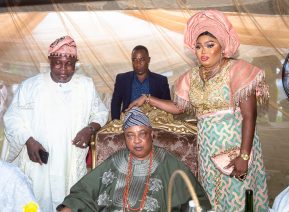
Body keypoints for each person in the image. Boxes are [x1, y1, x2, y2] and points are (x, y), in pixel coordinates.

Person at [127, 10, 269, 211]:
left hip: (235, 148)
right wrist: (147, 98)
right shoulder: (191, 77)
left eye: (210, 45)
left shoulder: (238, 70)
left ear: (223, 47)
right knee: (212, 199)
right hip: (207, 149)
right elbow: (178, 107)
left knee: (238, 199)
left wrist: (244, 156)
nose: (203, 51)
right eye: (199, 46)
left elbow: (249, 116)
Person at [1, 36, 109, 211]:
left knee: (69, 201)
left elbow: (100, 112)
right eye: (58, 63)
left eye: (69, 64)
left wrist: (90, 129)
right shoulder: (30, 86)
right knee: (37, 201)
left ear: (76, 63)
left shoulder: (85, 85)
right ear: (50, 60)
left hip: (70, 159)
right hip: (39, 162)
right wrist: (29, 141)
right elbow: (12, 119)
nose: (64, 70)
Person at [56, 107, 211, 211]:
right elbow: (85, 192)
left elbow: (196, 201)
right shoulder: (117, 160)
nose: (136, 140)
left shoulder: (167, 162)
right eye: (130, 135)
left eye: (142, 134)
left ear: (151, 135)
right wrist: (69, 207)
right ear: (125, 138)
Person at [110, 45, 171, 120]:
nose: (138, 63)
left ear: (148, 60)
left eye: (142, 59)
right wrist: (116, 123)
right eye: (134, 60)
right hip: (128, 121)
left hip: (153, 123)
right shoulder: (122, 79)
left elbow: (167, 105)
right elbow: (115, 104)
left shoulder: (160, 80)